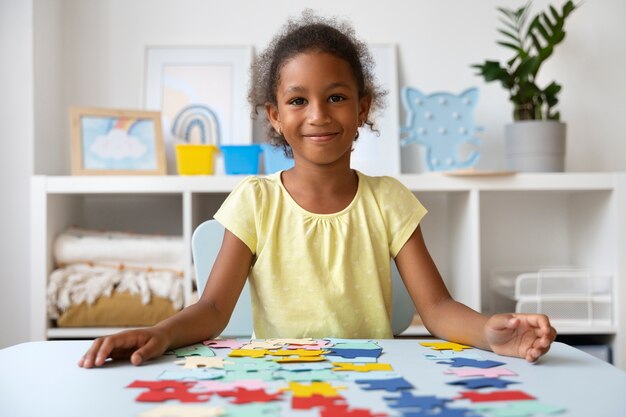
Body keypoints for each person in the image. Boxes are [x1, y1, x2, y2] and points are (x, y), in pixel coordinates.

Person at [79, 10, 556, 369]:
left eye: (336, 97)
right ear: (274, 116)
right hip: (279, 380)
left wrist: (491, 333)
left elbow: (436, 308)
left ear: (363, 107)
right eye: (297, 100)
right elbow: (212, 308)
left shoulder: (388, 200)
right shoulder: (255, 200)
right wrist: (160, 334)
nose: (319, 115)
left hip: (371, 378)